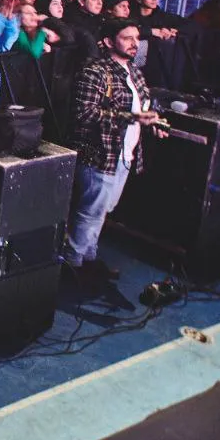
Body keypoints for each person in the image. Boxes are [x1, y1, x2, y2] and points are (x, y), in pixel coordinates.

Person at [64, 20, 167, 283]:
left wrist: (153, 123)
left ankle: (88, 259)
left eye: (136, 38)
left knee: (102, 210)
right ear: (109, 42)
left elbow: (141, 109)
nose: (134, 43)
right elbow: (83, 113)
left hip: (124, 153)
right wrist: (131, 117)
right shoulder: (94, 71)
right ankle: (73, 265)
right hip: (99, 153)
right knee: (89, 211)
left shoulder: (134, 71)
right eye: (127, 38)